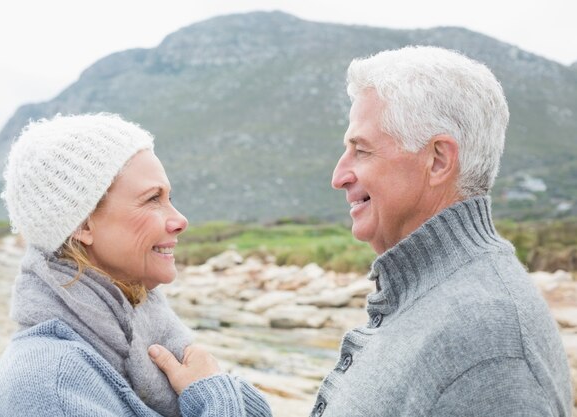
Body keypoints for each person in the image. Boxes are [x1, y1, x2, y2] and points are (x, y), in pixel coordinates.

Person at [153, 46, 573, 416]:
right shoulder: (434, 297)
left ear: (439, 160)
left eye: (362, 150)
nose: (339, 175)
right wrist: (217, 397)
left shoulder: (492, 344)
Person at [0, 114, 271, 417]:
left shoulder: (145, 338)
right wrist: (214, 396)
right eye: (152, 199)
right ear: (83, 223)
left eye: (169, 197)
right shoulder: (49, 386)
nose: (180, 220)